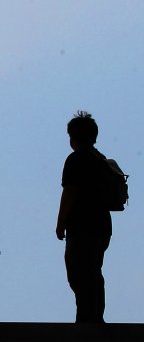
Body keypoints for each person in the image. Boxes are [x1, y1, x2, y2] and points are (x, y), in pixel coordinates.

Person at [56, 111, 112, 323]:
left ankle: (87, 319)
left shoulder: (75, 159)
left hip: (81, 225)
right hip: (102, 225)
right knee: (94, 271)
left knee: (78, 272)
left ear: (72, 137)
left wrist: (60, 223)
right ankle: (95, 316)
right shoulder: (101, 159)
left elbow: (69, 192)